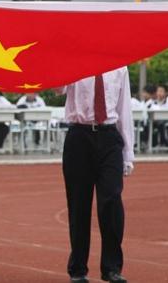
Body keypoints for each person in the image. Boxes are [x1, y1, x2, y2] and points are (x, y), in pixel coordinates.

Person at [60, 68, 134, 283]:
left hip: (109, 137)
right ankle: (78, 269)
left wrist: (128, 153)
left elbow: (124, 109)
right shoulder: (75, 60)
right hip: (79, 136)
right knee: (78, 204)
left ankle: (111, 268)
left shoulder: (120, 66)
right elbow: (57, 88)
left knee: (111, 201)